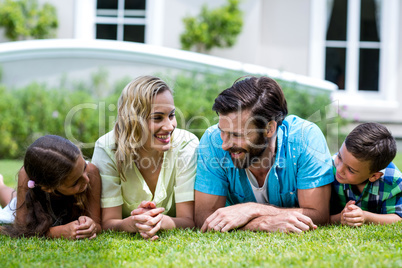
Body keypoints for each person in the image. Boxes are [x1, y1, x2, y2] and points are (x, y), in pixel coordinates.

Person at [195, 76, 334, 233]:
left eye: (237, 135)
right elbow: (204, 218)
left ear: (269, 129)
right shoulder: (212, 140)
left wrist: (251, 210)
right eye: (222, 132)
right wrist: (261, 224)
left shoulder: (305, 138)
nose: (224, 145)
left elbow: (319, 215)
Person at [91, 75, 198, 240]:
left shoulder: (186, 144)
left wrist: (162, 222)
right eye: (157, 118)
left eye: (171, 115)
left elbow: (189, 220)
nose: (170, 126)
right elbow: (108, 222)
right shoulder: (107, 148)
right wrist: (133, 223)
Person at [0, 135, 101, 239]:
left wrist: (91, 225)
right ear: (48, 188)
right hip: (34, 208)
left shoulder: (92, 172)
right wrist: (56, 232)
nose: (86, 179)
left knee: (13, 199)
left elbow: (98, 224)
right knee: (13, 205)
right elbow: (22, 229)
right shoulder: (26, 176)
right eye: (75, 183)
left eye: (84, 167)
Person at [330, 123, 402, 226]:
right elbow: (320, 215)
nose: (339, 169)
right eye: (340, 157)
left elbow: (399, 217)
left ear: (374, 176)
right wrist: (341, 217)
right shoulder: (327, 169)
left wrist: (366, 217)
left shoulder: (393, 181)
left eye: (351, 169)